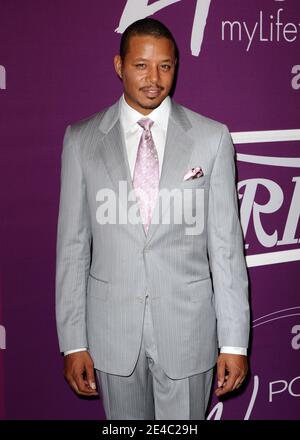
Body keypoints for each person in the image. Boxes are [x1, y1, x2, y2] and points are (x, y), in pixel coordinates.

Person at [55, 18, 250, 420]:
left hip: (187, 331)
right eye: (141, 65)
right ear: (119, 65)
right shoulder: (81, 140)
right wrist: (73, 342)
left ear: (176, 66)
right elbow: (72, 248)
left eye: (165, 65)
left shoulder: (211, 138)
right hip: (111, 334)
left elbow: (227, 248)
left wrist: (234, 343)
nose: (154, 78)